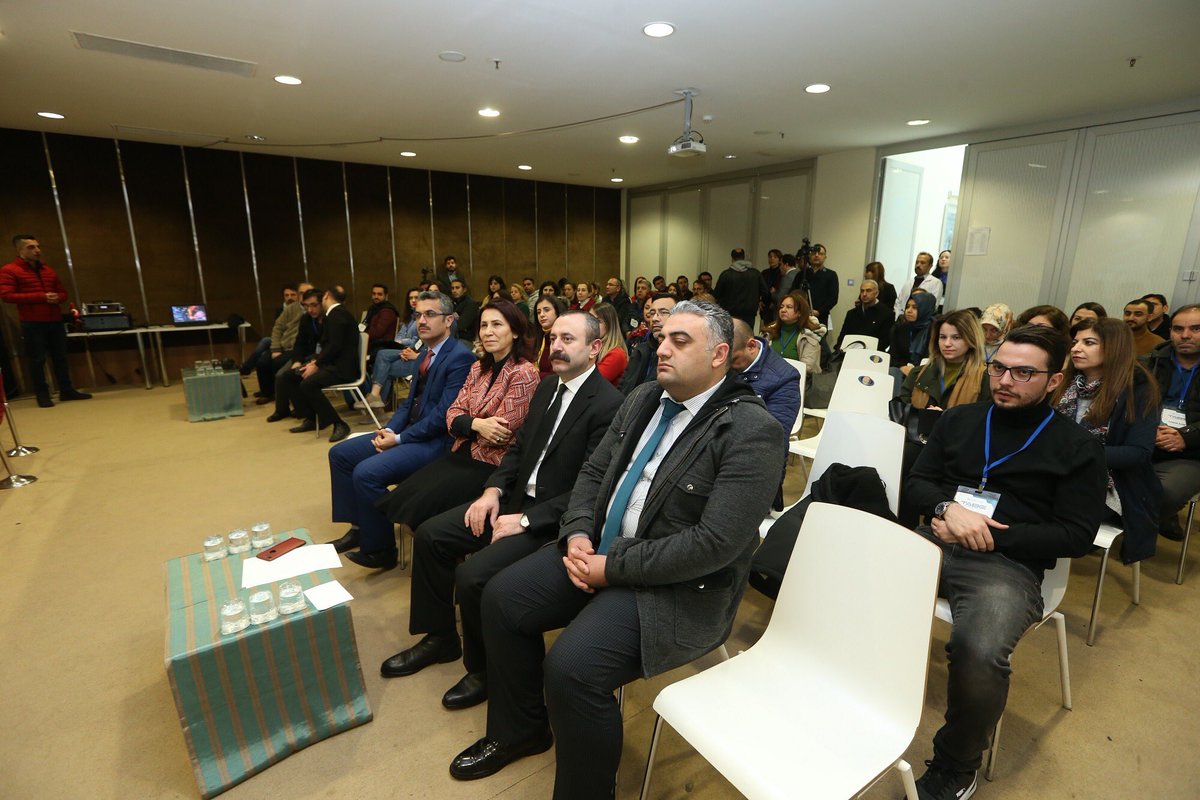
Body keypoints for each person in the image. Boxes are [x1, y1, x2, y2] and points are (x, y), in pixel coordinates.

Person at [448, 300, 787, 798]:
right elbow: (593, 473)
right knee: (500, 597)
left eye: (680, 341)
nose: (662, 347)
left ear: (719, 356)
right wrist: (577, 533)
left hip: (674, 586)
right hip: (597, 550)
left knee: (571, 668)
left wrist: (612, 567)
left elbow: (715, 544)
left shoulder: (751, 431)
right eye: (662, 337)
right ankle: (521, 729)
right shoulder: (645, 397)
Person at [904, 324, 1107, 800]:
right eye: (999, 368)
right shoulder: (960, 420)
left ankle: (956, 766)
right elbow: (917, 483)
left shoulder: (1078, 447)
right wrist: (947, 509)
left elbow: (1077, 535)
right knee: (848, 584)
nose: (1005, 381)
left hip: (1007, 565)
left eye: (1023, 373)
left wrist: (990, 536)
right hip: (935, 539)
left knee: (978, 650)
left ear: (1054, 381)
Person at [382, 312, 624, 709]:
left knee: (473, 575)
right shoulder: (548, 387)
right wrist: (492, 490)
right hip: (513, 500)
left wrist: (527, 520)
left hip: (553, 519)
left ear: (595, 348)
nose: (557, 346)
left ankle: (483, 670)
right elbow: (518, 448)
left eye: (568, 339)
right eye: (553, 338)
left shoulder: (610, 405)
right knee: (431, 535)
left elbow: (591, 488)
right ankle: (440, 638)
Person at [369, 301, 540, 563]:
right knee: (405, 500)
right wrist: (477, 424)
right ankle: (444, 560)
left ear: (515, 331)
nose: (488, 332)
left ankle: (449, 561)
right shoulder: (478, 368)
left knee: (423, 512)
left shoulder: (524, 373)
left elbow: (501, 432)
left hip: (489, 466)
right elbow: (451, 414)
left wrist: (466, 423)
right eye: (484, 325)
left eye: (497, 325)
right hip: (459, 454)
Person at [326, 291, 475, 567]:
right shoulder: (424, 354)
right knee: (340, 454)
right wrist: (388, 430)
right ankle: (360, 528)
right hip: (408, 432)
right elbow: (408, 403)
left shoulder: (461, 358)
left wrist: (399, 438)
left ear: (449, 320)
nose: (422, 321)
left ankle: (381, 549)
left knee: (366, 473)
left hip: (436, 442)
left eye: (430, 314)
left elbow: (443, 416)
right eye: (418, 315)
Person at [1056, 317, 1161, 563]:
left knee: (1041, 505)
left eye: (1088, 342)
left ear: (1114, 347)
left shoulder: (1138, 389)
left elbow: (1138, 452)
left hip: (1111, 483)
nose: (1076, 348)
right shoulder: (1064, 382)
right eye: (1075, 342)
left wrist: (1076, 455)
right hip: (1057, 470)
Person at [897, 310, 991, 525]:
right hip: (917, 441)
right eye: (942, 337)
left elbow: (987, 420)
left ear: (971, 339)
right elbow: (902, 407)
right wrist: (924, 416)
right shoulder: (919, 373)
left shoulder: (985, 378)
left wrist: (947, 418)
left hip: (960, 450)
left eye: (956, 337)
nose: (947, 343)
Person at [0, 235, 91, 407]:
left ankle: (66, 390)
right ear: (20, 250)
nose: (37, 250)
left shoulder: (47, 270)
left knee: (61, 357)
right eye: (31, 247)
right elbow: (7, 296)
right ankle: (42, 395)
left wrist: (58, 298)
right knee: (37, 360)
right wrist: (41, 297)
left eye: (38, 246)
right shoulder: (9, 270)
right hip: (32, 322)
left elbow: (63, 293)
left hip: (54, 320)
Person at [1143, 304, 1200, 541]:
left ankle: (1134, 532)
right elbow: (1128, 405)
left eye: (1195, 329)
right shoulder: (1149, 363)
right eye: (1178, 329)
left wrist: (1186, 436)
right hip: (1145, 441)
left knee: (1163, 492)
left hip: (1192, 453)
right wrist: (1147, 430)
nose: (1185, 335)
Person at [287, 285, 360, 443]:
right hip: (335, 364)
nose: (311, 309)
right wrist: (315, 361)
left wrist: (317, 364)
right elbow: (331, 347)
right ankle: (312, 418)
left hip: (343, 369)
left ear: (326, 296)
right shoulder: (335, 314)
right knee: (292, 376)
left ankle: (339, 424)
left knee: (308, 384)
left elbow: (335, 346)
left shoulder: (337, 314)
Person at [730, 318, 800, 434]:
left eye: (733, 359)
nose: (725, 365)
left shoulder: (785, 379)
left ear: (751, 346)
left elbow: (774, 437)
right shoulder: (720, 360)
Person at [268, 289, 323, 422]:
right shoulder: (305, 319)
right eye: (306, 306)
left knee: (292, 376)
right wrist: (297, 361)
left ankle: (304, 412)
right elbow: (299, 343)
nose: (310, 310)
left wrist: (315, 361)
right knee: (281, 375)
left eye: (313, 305)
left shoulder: (328, 318)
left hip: (319, 358)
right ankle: (282, 410)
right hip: (304, 356)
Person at [363, 287, 421, 408]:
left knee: (382, 356)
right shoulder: (410, 317)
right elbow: (400, 335)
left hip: (415, 352)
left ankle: (376, 400)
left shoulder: (423, 318)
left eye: (416, 297)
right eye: (410, 298)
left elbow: (417, 340)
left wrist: (403, 341)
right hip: (403, 348)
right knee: (382, 360)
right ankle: (378, 402)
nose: (413, 300)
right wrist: (401, 341)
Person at [619, 293, 675, 395]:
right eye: (652, 313)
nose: (654, 319)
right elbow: (623, 387)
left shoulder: (678, 355)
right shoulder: (640, 350)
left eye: (663, 312)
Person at [764, 290, 824, 379]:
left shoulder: (809, 335)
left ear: (800, 313)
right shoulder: (769, 332)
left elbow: (807, 368)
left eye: (789, 307)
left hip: (798, 381)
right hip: (768, 378)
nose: (783, 310)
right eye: (781, 307)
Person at [888, 293, 939, 394]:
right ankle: (896, 402)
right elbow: (892, 355)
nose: (909, 310)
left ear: (925, 309)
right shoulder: (900, 328)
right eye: (907, 306)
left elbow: (935, 358)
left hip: (926, 371)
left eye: (915, 307)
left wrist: (915, 370)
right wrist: (902, 367)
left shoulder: (936, 331)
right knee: (893, 371)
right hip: (903, 370)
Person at [713, 247, 768, 328]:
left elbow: (717, 294)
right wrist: (759, 300)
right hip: (749, 314)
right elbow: (765, 291)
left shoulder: (726, 274)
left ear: (732, 258)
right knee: (747, 334)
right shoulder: (755, 273)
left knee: (731, 334)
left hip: (730, 313)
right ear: (744, 257)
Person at [835, 278, 893, 351]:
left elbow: (885, 341)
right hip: (851, 352)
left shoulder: (887, 314)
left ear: (876, 293)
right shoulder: (852, 313)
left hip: (873, 353)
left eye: (868, 291)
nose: (864, 294)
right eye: (862, 291)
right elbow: (842, 337)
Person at [589, 302, 628, 387]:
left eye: (598, 321)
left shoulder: (617, 354)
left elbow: (591, 383)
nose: (592, 325)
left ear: (609, 325)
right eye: (590, 320)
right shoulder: (590, 346)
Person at [802, 243, 839, 331]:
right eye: (813, 253)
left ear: (825, 257)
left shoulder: (831, 275)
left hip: (821, 317)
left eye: (820, 253)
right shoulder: (802, 274)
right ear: (809, 256)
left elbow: (833, 298)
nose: (816, 255)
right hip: (801, 316)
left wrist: (819, 311)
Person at [895, 252, 944, 318]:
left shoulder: (936, 283)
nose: (918, 265)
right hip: (902, 320)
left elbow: (933, 306)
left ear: (930, 266)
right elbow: (898, 303)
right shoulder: (908, 283)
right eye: (917, 262)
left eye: (922, 263)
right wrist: (899, 317)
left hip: (921, 321)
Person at [532, 295, 566, 377]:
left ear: (557, 311)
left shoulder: (564, 338)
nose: (541, 315)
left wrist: (533, 375)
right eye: (538, 312)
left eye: (546, 310)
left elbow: (557, 375)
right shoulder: (540, 335)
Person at [362, 283, 401, 355]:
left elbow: (377, 333)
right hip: (371, 343)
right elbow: (364, 325)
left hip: (382, 345)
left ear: (386, 296)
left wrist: (362, 335)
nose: (376, 296)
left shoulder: (387, 311)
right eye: (374, 294)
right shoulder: (373, 308)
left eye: (379, 294)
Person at [450, 278, 480, 342]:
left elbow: (461, 325)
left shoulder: (471, 304)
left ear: (464, 290)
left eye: (457, 288)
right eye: (452, 288)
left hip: (466, 339)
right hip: (454, 336)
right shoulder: (452, 302)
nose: (454, 291)